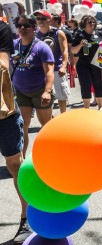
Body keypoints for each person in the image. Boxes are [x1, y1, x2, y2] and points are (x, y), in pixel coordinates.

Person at [0, 18, 31, 245]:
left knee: (14, 164)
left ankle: (27, 217)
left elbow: (3, 65)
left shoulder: (1, 29)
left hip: (3, 111)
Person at [11, 15, 55, 157]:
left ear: (34, 28)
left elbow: (49, 71)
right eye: (19, 26)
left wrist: (47, 91)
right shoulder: (13, 45)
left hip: (39, 91)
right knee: (22, 125)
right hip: (21, 92)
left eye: (26, 26)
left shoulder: (41, 47)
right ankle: (21, 159)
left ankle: (51, 155)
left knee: (46, 127)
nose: (22, 28)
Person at [34, 10, 69, 113]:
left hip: (57, 68)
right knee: (45, 95)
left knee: (61, 95)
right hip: (41, 69)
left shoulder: (58, 33)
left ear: (49, 20)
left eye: (43, 18)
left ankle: (63, 117)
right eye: (38, 18)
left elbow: (65, 50)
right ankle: (49, 118)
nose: (40, 21)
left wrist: (64, 66)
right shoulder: (35, 34)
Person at [71, 15, 102, 110]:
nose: (92, 24)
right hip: (83, 64)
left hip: (97, 63)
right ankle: (86, 108)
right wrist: (81, 45)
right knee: (85, 84)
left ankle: (100, 106)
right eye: (89, 22)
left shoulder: (100, 34)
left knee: (98, 84)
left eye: (93, 22)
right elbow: (73, 50)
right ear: (84, 24)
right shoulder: (79, 35)